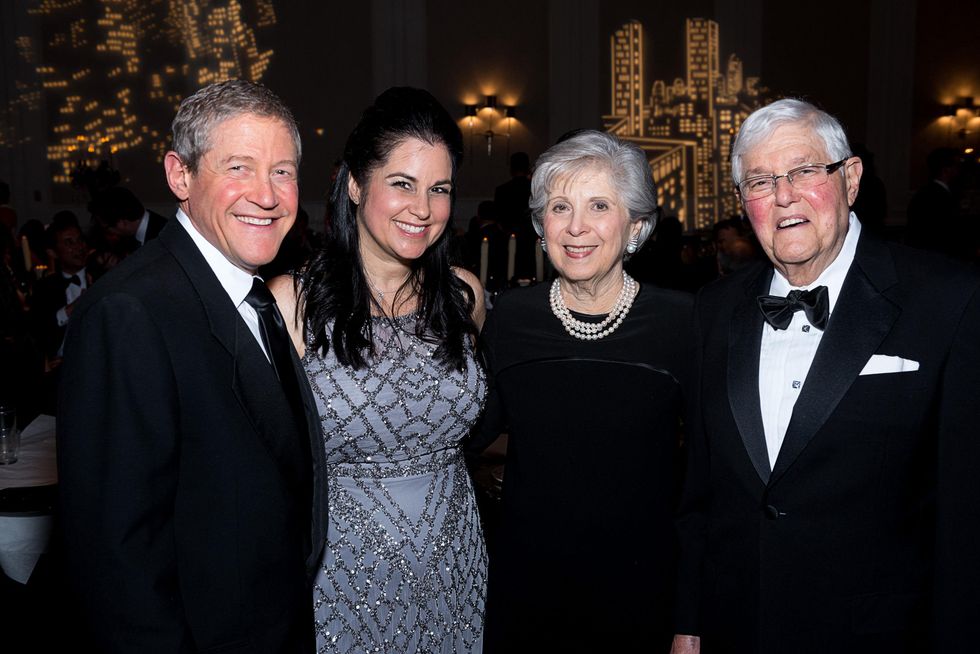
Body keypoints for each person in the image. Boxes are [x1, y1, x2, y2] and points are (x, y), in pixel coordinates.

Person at [672, 99, 980, 654]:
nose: (783, 195)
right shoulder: (713, 309)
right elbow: (701, 488)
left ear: (851, 179)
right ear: (744, 203)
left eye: (805, 171)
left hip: (876, 636)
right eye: (760, 182)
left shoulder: (949, 301)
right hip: (736, 625)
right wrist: (689, 621)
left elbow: (965, 515)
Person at [57, 79, 329, 653]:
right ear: (180, 175)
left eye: (282, 171)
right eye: (238, 167)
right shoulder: (130, 313)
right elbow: (118, 561)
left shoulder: (251, 293)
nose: (267, 194)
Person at [270, 87, 488, 652]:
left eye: (439, 189)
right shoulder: (293, 303)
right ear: (354, 184)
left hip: (456, 563)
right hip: (342, 574)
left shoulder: (465, 296)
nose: (423, 208)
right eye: (402, 183)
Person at [475, 130, 694, 651]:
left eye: (599, 205)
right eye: (559, 207)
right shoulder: (511, 317)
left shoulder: (682, 323)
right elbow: (468, 435)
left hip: (642, 593)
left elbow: (708, 482)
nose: (576, 227)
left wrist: (692, 618)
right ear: (540, 225)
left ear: (636, 226)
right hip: (527, 591)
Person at [29, 212, 89, 360]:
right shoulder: (45, 288)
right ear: (53, 252)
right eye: (69, 242)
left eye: (80, 240)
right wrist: (68, 311)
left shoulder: (100, 276)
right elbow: (39, 332)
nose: (79, 247)